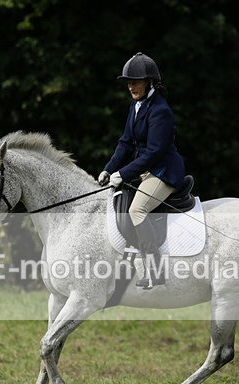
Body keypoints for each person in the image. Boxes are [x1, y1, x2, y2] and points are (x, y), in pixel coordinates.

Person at [98, 52, 186, 289]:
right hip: (145, 169)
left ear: (150, 82)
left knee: (137, 210)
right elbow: (125, 143)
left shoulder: (161, 111)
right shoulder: (136, 106)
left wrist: (123, 174)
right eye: (128, 82)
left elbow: (154, 154)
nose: (130, 86)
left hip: (163, 171)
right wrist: (109, 169)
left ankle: (155, 269)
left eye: (135, 81)